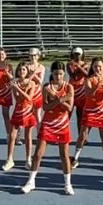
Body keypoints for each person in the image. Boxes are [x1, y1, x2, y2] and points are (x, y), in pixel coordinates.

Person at [22, 60, 75, 195]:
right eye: (56, 74)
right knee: (38, 153)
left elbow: (69, 108)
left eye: (61, 74)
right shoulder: (46, 87)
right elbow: (45, 107)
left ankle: (67, 184)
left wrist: (56, 98)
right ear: (52, 73)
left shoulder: (69, 87)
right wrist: (60, 99)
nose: (59, 76)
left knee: (64, 155)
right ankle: (31, 181)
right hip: (48, 123)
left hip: (62, 123)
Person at [72, 58, 103, 171]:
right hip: (90, 111)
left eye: (100, 66)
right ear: (92, 67)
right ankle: (75, 158)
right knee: (83, 135)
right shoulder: (89, 79)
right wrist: (97, 86)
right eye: (96, 66)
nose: (98, 68)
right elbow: (89, 94)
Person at [3, 61, 37, 171]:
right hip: (18, 111)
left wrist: (18, 89)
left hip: (28, 111)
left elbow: (29, 98)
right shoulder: (14, 82)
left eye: (24, 70)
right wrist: (18, 88)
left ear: (27, 72)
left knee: (28, 136)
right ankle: (9, 159)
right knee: (12, 135)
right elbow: (17, 99)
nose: (21, 72)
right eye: (19, 70)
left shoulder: (32, 83)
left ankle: (28, 160)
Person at [67, 46, 89, 134]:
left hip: (81, 92)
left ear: (82, 54)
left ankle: (81, 136)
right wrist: (81, 69)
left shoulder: (85, 64)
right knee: (68, 114)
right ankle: (62, 133)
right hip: (71, 91)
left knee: (80, 115)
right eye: (75, 54)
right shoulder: (69, 64)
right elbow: (73, 75)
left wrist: (79, 67)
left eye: (78, 54)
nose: (77, 56)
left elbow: (87, 74)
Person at [28, 47, 46, 123]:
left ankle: (39, 133)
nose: (33, 57)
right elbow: (26, 81)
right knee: (26, 114)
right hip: (28, 93)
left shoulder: (41, 67)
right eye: (31, 55)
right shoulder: (26, 67)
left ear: (38, 56)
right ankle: (20, 134)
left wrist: (33, 74)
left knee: (37, 115)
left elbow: (40, 81)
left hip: (37, 94)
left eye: (35, 55)